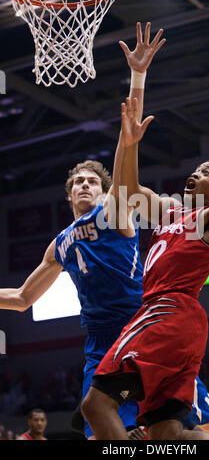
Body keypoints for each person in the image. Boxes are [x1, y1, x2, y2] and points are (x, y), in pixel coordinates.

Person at [0, 22, 165, 440]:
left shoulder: (114, 210)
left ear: (105, 190)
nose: (85, 185)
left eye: (92, 180)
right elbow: (22, 299)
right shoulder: (60, 244)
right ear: (68, 195)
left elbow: (128, 141)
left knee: (167, 429)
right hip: (97, 345)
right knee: (101, 433)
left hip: (137, 327)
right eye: (78, 182)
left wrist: (138, 75)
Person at [80, 94, 209, 440]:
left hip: (166, 313)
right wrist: (130, 143)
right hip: (180, 324)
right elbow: (127, 191)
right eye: (197, 169)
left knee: (95, 406)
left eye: (207, 174)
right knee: (165, 433)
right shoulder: (170, 212)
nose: (196, 174)